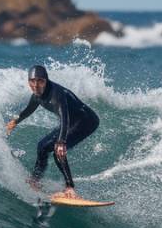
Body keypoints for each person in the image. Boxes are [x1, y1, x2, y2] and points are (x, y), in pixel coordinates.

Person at [5, 65, 99, 199]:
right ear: (29, 82)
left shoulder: (56, 94)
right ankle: (35, 181)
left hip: (86, 121)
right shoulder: (37, 95)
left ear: (46, 81)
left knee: (57, 150)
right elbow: (29, 109)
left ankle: (70, 188)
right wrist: (15, 121)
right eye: (32, 81)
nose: (36, 85)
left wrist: (61, 142)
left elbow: (64, 116)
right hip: (72, 122)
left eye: (40, 81)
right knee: (42, 146)